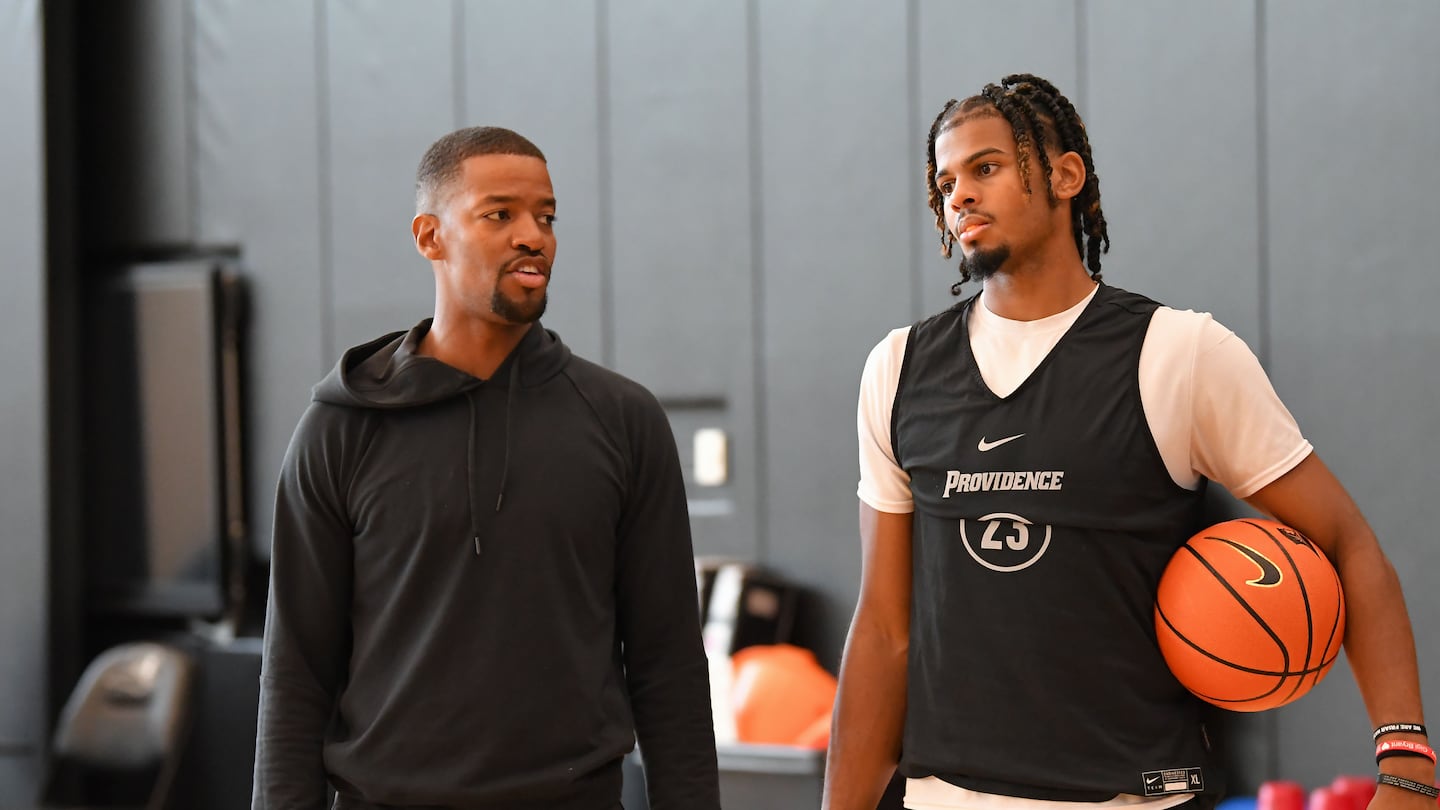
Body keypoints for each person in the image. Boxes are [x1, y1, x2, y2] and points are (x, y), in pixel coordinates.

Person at [823, 74, 1432, 810]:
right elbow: (885, 626)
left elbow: (1349, 543)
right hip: (943, 794)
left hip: (1136, 795)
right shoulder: (898, 368)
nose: (959, 196)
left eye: (986, 167)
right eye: (945, 181)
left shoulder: (1181, 354)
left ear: (1065, 175)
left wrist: (1407, 767)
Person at [252, 126, 720, 810]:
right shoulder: (340, 428)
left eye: (547, 217)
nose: (533, 236)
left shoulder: (623, 421)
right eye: (499, 214)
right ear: (429, 236)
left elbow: (669, 666)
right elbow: (294, 676)